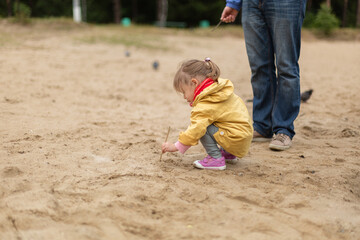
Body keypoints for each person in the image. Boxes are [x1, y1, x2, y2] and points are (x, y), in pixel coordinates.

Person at [220, 0, 307, 151]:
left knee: (286, 66)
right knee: (259, 67)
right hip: (251, 4)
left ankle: (283, 130)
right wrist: (234, 3)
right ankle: (262, 126)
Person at [162, 58, 253, 170]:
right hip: (243, 136)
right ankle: (228, 153)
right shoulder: (219, 90)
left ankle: (215, 159)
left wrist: (176, 146)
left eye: (184, 92)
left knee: (202, 127)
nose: (184, 97)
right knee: (219, 122)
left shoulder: (206, 102)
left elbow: (195, 130)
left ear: (194, 83)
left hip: (235, 138)